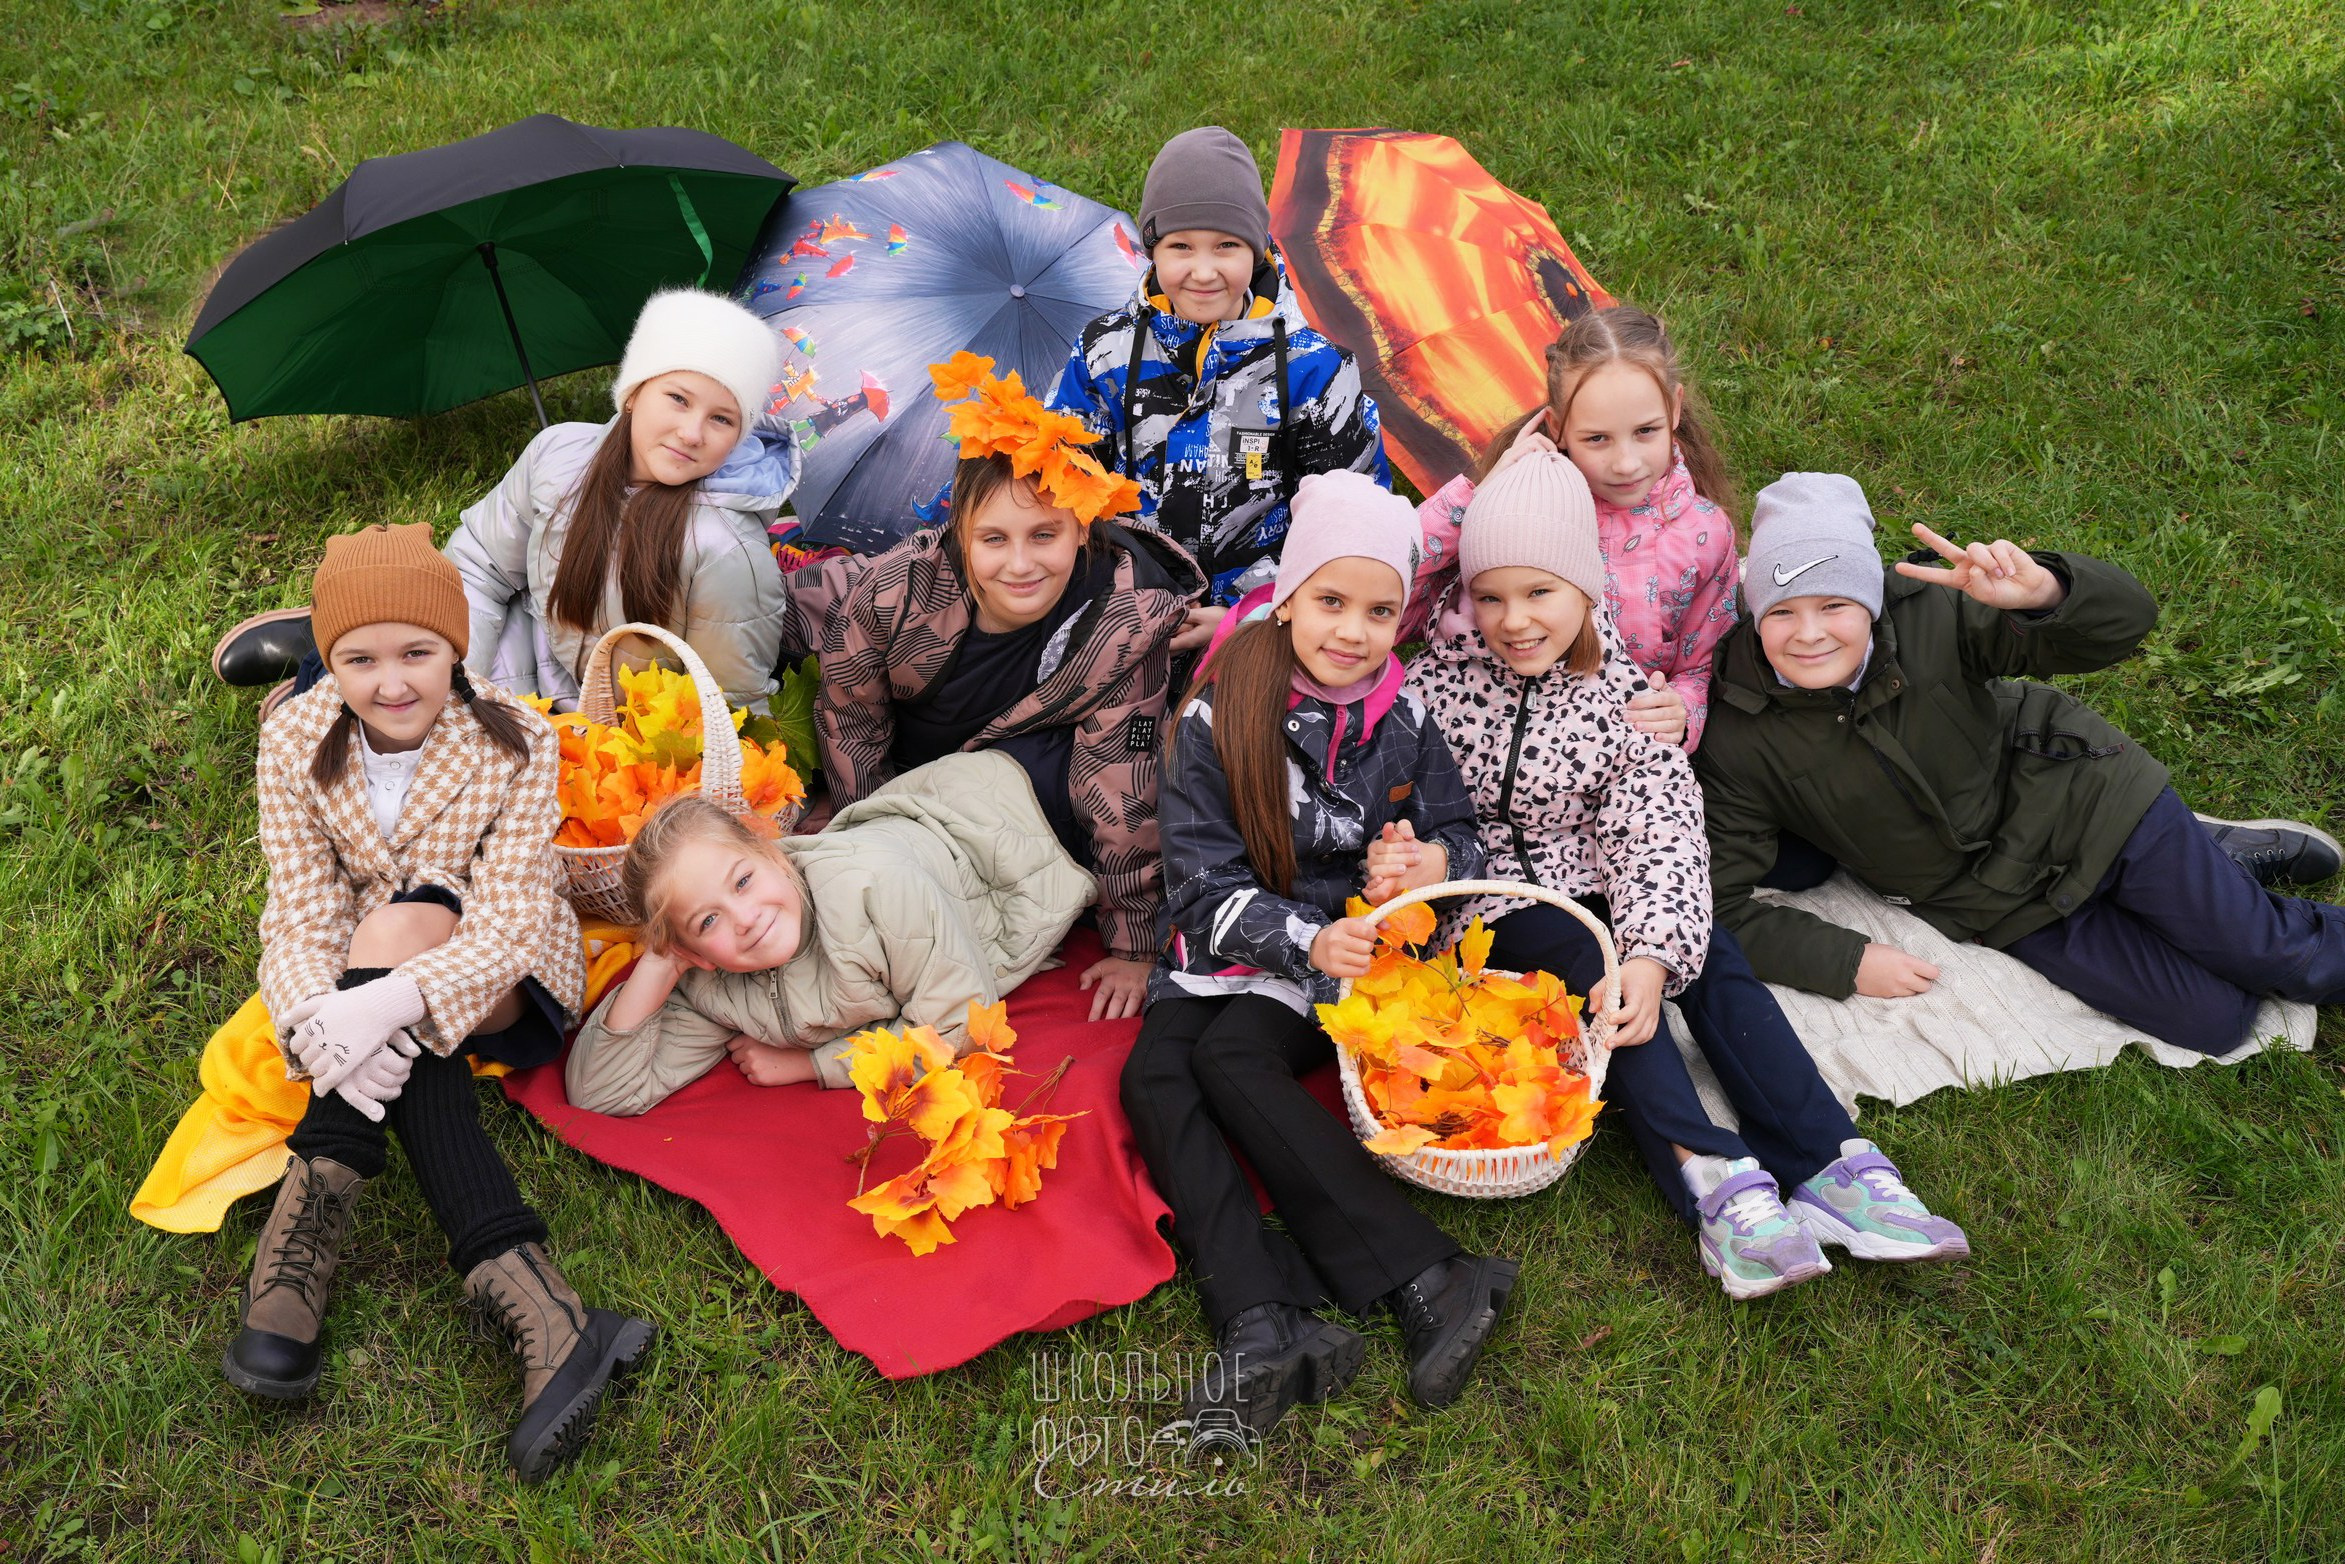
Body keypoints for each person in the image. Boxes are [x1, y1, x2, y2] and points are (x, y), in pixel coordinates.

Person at [1405, 452, 1967, 1299]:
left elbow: (1660, 826)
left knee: (1705, 951)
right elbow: (1399, 806)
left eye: (1539, 593)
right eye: (1491, 596)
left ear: (1585, 588)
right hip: (1489, 905)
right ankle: (1714, 1181)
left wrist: (1657, 951)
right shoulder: (1432, 686)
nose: (1514, 620)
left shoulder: (1618, 690)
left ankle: (1827, 1160)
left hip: (1599, 883)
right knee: (1597, 973)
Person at [221, 523, 651, 1483]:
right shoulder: (294, 736)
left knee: (390, 941)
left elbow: (505, 921)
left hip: (505, 969)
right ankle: (548, 1307)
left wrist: (386, 1003)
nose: (391, 682)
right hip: (362, 973)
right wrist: (321, 1025)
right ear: (326, 662)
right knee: (365, 947)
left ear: (456, 648)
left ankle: (309, 1223)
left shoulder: (516, 736)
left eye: (418, 652)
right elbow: (299, 912)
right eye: (357, 659)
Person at [1121, 470, 1515, 1439]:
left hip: (1344, 954)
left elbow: (1462, 840)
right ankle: (1264, 1319)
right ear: (1288, 596)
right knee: (1154, 1080)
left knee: (1230, 1058)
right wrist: (1301, 936)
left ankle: (1429, 1274)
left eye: (1379, 610)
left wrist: (1426, 862)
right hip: (1232, 941)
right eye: (1330, 601)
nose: (1351, 630)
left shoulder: (1405, 720)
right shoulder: (1220, 715)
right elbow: (1198, 885)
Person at [1697, 473, 2345, 1053]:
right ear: (1755, 618)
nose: (1808, 634)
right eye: (1781, 612)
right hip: (2000, 903)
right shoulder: (1737, 728)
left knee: (2272, 956)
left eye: (1833, 605)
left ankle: (2215, 880)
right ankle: (2218, 862)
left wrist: (2047, 591)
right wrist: (1841, 959)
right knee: (2217, 1022)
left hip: (2089, 805)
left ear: (1869, 599)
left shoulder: (1930, 613)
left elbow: (2125, 625)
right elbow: (1718, 904)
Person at [779, 355, 1203, 1022]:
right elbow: (851, 715)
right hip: (912, 748)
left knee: (1047, 786)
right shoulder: (898, 589)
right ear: (960, 535)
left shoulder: (1122, 624)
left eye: (1045, 535)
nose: (1020, 563)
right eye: (993, 539)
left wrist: (1133, 940)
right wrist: (856, 824)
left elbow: (1121, 781)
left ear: (1081, 529)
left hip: (1017, 763)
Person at [212, 288, 799, 716]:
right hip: (515, 641)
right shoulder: (561, 453)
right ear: (634, 391)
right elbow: (481, 566)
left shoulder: (727, 550)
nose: (692, 432)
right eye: (677, 397)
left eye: (721, 418)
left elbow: (731, 706)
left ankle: (337, 666)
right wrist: (457, 684)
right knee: (413, 653)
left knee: (416, 773)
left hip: (586, 719)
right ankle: (336, 639)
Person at [565, 752, 1098, 1117]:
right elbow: (599, 1093)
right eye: (708, 921)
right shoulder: (712, 982)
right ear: (692, 952)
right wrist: (657, 968)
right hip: (935, 824)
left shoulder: (874, 891)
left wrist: (809, 1064)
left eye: (744, 881)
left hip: (1023, 819)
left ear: (771, 852)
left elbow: (961, 1026)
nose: (744, 918)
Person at [1048, 126, 1389, 641]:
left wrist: (1252, 613)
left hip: (1266, 618)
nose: (1203, 271)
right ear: (1152, 251)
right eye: (1181, 246)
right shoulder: (1105, 351)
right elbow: (1062, 476)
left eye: (1226, 246)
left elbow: (1355, 521)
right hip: (1121, 604)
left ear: (1256, 252)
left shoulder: (1315, 371)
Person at [1407, 305, 1739, 751]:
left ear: (1674, 409)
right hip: (1484, 732)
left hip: (1610, 757)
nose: (1625, 463)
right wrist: (1478, 494)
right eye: (1597, 438)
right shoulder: (1515, 513)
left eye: (1645, 431)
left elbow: (1705, 663)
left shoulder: (1706, 533)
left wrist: (1682, 710)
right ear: (1558, 427)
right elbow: (1392, 581)